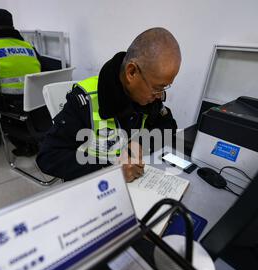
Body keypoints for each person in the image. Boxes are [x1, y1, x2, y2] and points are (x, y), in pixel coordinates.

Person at [37, 27, 180, 182]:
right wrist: (110, 170)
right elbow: (48, 156)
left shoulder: (149, 98)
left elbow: (168, 125)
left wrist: (139, 143)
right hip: (95, 186)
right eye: (157, 88)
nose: (160, 95)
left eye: (165, 87)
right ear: (131, 72)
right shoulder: (84, 101)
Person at [0, 8, 47, 156]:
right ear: (12, 25)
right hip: (40, 104)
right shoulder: (29, 47)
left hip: (13, 107)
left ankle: (24, 145)